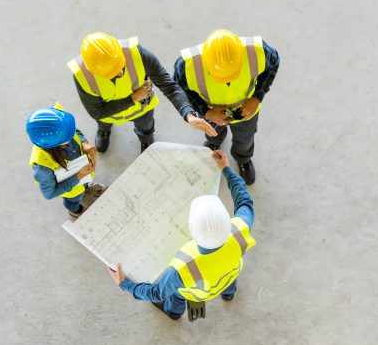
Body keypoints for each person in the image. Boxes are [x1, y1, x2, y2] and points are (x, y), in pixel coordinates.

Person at [106, 150, 256, 320]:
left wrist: (124, 284)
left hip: (196, 293)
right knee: (228, 279)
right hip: (229, 275)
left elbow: (156, 293)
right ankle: (228, 294)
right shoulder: (241, 228)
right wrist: (226, 169)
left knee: (177, 294)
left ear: (192, 229)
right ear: (227, 219)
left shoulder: (181, 269)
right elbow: (244, 200)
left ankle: (174, 312)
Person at [68, 32, 217, 154]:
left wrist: (189, 115)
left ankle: (146, 139)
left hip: (141, 109)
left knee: (146, 127)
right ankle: (104, 131)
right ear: (95, 71)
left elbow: (169, 85)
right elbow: (97, 112)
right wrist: (132, 98)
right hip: (109, 115)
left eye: (120, 65)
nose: (120, 71)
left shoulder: (137, 53)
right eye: (113, 72)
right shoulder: (82, 75)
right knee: (104, 123)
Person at [173, 28, 280, 184]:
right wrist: (206, 112)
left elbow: (274, 63)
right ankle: (214, 143)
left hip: (246, 112)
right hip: (211, 113)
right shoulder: (186, 65)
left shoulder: (258, 51)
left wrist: (257, 97)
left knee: (245, 139)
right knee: (212, 132)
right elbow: (179, 89)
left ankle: (243, 158)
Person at [26, 105, 107, 218]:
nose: (71, 133)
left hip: (83, 177)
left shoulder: (61, 123)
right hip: (72, 192)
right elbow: (49, 194)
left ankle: (86, 187)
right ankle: (75, 210)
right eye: (67, 137)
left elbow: (76, 131)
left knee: (83, 186)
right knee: (74, 200)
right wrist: (79, 176)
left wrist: (83, 142)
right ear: (53, 145)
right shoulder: (42, 166)